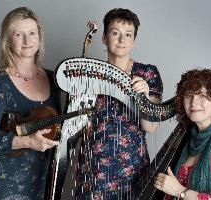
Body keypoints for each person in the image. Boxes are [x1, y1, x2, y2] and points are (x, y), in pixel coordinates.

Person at [74, 8, 164, 199]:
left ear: (134, 41)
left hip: (131, 170)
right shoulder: (91, 74)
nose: (122, 40)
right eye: (115, 33)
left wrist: (144, 96)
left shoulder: (147, 74)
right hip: (93, 169)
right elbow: (76, 126)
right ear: (105, 38)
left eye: (128, 35)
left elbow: (151, 127)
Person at [0, 7, 60, 199]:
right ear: (8, 41)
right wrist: (27, 141)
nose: (27, 41)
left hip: (45, 180)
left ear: (39, 38)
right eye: (19, 34)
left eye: (32, 33)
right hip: (8, 184)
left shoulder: (53, 78)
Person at [154, 68, 211, 199]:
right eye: (189, 95)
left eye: (202, 95)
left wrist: (180, 191)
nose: (194, 103)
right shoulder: (187, 138)